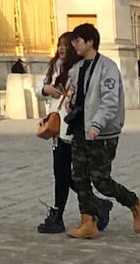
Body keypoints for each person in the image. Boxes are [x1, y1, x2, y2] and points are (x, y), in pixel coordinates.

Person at [65, 22, 140, 239]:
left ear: (90, 41)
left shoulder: (107, 67)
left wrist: (97, 123)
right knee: (79, 177)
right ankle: (88, 221)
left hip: (101, 134)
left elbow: (110, 101)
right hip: (79, 131)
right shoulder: (76, 69)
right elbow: (75, 96)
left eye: (78, 40)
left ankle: (136, 203)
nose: (74, 44)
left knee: (101, 180)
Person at [36, 33, 112, 234]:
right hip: (56, 128)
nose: (62, 49)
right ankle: (93, 204)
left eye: (67, 45)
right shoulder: (55, 66)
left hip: (72, 129)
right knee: (61, 174)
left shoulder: (79, 69)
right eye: (59, 45)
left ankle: (62, 214)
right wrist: (46, 89)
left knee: (70, 175)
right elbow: (38, 87)